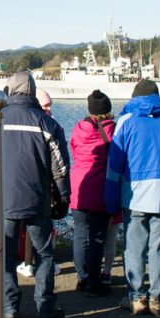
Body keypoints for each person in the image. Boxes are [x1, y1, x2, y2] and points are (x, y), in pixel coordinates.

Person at [0, 71, 70, 318]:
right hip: (38, 200)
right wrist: (63, 199)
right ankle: (45, 309)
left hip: (3, 200)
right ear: (32, 91)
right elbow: (60, 168)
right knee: (44, 255)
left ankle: (9, 310)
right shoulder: (47, 123)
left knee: (4, 256)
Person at [105, 79, 160, 316]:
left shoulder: (125, 121)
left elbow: (114, 166)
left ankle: (137, 296)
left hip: (134, 194)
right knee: (158, 247)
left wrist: (110, 198)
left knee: (134, 248)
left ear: (134, 98)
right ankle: (157, 296)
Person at [69, 90, 115, 296]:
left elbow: (73, 150)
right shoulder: (111, 129)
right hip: (100, 187)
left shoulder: (78, 128)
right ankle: (94, 282)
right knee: (98, 237)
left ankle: (82, 277)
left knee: (80, 234)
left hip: (78, 185)